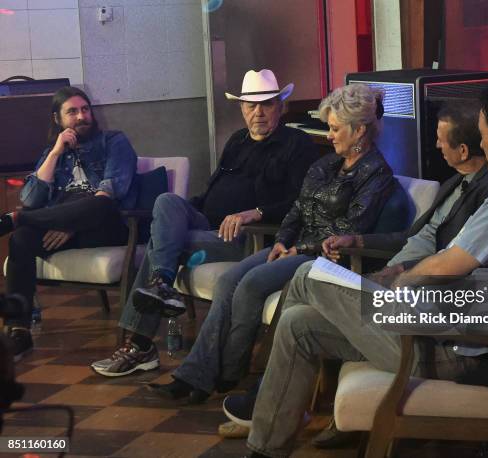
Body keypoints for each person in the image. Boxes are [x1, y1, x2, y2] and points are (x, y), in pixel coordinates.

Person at [239, 81, 488, 458]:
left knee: (307, 275)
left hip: (457, 350)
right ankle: (265, 448)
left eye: (483, 135)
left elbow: (445, 265)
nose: (480, 143)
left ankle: (257, 401)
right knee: (298, 324)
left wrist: (392, 289)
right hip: (446, 331)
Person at [144, 83, 395, 404]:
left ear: (360, 130)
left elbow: (349, 228)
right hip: (294, 246)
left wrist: (298, 249)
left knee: (249, 284)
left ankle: (228, 373)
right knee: (228, 282)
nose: (329, 136)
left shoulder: (377, 174)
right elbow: (298, 207)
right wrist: (281, 240)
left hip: (326, 258)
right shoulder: (328, 163)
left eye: (334, 129)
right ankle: (194, 375)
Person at [91, 69, 319, 377]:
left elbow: (301, 201)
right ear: (241, 108)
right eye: (251, 106)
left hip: (246, 238)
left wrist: (257, 212)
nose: (258, 112)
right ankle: (160, 287)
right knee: (167, 202)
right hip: (207, 224)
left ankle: (140, 342)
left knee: (161, 246)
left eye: (266, 104)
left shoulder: (297, 144)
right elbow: (211, 190)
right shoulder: (237, 140)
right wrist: (185, 209)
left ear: (281, 106)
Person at [309, 99, 488, 448]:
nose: (434, 145)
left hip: (421, 312)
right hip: (397, 290)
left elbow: (453, 259)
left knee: (307, 277)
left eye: (440, 140)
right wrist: (359, 240)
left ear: (462, 149)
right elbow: (413, 237)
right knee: (300, 314)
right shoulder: (451, 184)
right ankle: (279, 431)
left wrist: (398, 273)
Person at [0, 86, 138, 362]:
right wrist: (54, 153)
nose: (81, 117)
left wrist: (73, 224)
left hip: (107, 224)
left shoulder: (114, 141)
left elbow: (111, 192)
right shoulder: (54, 152)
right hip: (59, 226)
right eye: (72, 112)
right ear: (57, 120)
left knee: (99, 203)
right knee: (20, 239)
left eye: (85, 110)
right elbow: (30, 198)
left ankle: (14, 220)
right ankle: (19, 331)